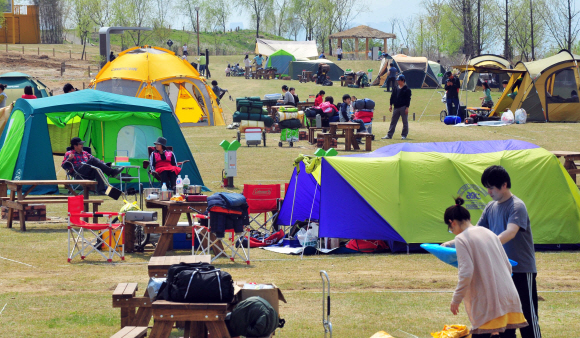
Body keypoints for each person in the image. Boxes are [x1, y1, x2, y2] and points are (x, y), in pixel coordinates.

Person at [444, 166, 542, 338]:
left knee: (527, 317)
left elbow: (510, 233)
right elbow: (474, 232)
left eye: (491, 187)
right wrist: (450, 244)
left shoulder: (517, 206)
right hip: (500, 270)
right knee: (505, 322)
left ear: (504, 185)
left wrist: (488, 246)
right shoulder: (490, 207)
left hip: (521, 269)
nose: (488, 192)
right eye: (487, 187)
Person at [382, 74, 411, 140]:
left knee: (405, 122)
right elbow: (392, 97)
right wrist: (390, 105)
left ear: (403, 80)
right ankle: (389, 135)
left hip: (403, 107)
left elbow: (408, 99)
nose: (398, 82)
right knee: (393, 122)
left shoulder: (407, 89)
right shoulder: (395, 88)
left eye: (399, 80)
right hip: (396, 107)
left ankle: (404, 135)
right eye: (397, 80)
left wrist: (407, 108)